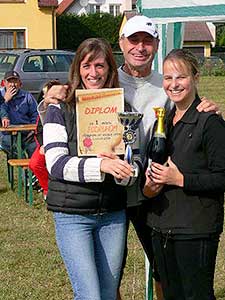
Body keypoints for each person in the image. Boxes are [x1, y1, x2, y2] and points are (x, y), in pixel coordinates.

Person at [38, 15, 219, 300]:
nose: (140, 47)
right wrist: (51, 97)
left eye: (147, 41)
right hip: (111, 195)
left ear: (156, 45)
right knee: (110, 280)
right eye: (133, 40)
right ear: (121, 44)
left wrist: (211, 108)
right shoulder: (103, 81)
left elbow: (191, 108)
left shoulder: (167, 85)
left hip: (153, 191)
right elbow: (65, 115)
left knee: (162, 270)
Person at [43, 38, 140, 300]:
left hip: (111, 213)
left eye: (100, 66)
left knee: (108, 294)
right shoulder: (59, 109)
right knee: (89, 295)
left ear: (110, 69)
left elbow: (136, 158)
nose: (93, 73)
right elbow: (56, 164)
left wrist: (126, 172)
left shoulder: (124, 110)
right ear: (77, 68)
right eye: (87, 66)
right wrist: (102, 165)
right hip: (72, 215)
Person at [143, 48, 225, 300]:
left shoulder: (210, 122)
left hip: (195, 228)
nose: (173, 84)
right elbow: (153, 171)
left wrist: (179, 179)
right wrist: (150, 185)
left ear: (195, 77)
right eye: (168, 78)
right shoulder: (165, 120)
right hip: (161, 227)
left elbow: (222, 177)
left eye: (181, 77)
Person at [29, 80, 60, 199]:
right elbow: (39, 130)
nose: (44, 96)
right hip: (44, 144)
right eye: (43, 94)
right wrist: (43, 145)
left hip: (62, 142)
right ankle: (47, 189)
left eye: (46, 93)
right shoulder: (42, 110)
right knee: (35, 163)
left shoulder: (64, 107)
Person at [0, 71, 38, 157]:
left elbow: (35, 114)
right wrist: (5, 100)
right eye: (10, 82)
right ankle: (22, 164)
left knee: (35, 147)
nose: (13, 85)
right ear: (4, 83)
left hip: (26, 132)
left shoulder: (27, 96)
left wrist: (32, 129)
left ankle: (32, 169)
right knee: (8, 144)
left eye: (15, 81)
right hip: (6, 134)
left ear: (20, 83)